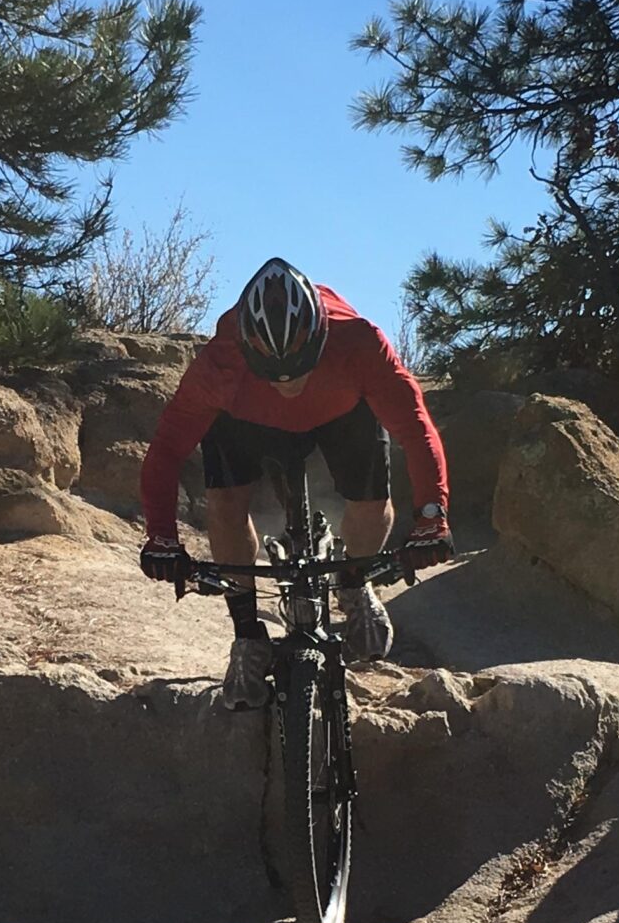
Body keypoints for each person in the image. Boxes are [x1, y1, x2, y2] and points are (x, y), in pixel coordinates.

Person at [138, 256, 454, 707]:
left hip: (343, 409)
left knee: (370, 497)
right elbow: (167, 450)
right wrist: (162, 538)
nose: (290, 384)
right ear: (246, 350)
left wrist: (430, 518)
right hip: (246, 417)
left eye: (301, 368)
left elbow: (417, 430)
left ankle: (353, 581)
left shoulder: (360, 341)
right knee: (225, 501)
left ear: (322, 338)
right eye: (274, 373)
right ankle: (247, 635)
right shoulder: (221, 361)